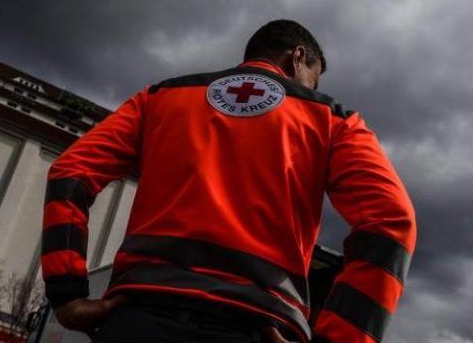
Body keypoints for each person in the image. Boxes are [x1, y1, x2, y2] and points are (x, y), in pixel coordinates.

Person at [40, 20, 416, 342]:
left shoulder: (160, 98)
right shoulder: (332, 120)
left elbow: (71, 171)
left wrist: (66, 293)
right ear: (297, 57)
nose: (311, 91)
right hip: (255, 325)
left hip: (137, 318)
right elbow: (391, 221)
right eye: (311, 80)